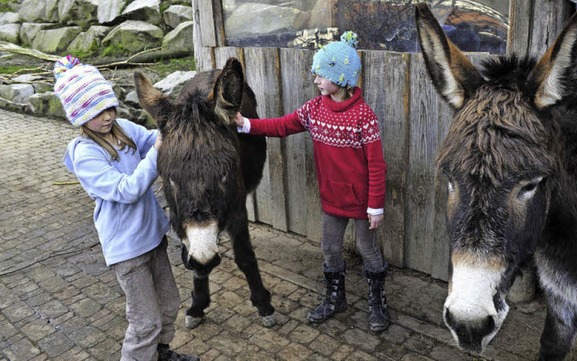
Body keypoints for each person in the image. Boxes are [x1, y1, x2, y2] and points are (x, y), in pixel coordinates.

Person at [234, 32, 390, 332]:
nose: (315, 80)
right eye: (315, 74)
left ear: (341, 79)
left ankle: (377, 300)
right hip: (332, 198)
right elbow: (282, 125)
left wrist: (375, 206)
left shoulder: (363, 117)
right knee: (330, 248)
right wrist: (247, 124)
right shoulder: (314, 109)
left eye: (321, 75)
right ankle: (336, 298)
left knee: (367, 250)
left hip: (363, 202)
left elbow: (377, 165)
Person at [55, 55, 199, 361]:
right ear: (79, 116)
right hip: (127, 250)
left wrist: (179, 134)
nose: (107, 116)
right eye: (96, 112)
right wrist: (158, 151)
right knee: (145, 322)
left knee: (169, 304)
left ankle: (161, 353)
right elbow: (127, 190)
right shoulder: (85, 154)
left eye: (109, 106)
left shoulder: (122, 128)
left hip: (153, 237)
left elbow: (152, 139)